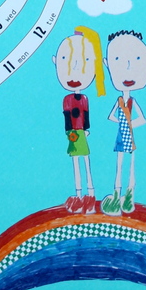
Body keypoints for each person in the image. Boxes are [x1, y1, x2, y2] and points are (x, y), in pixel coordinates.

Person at [53, 26, 106, 214]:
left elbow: (86, 115)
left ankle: (90, 194)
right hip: (73, 134)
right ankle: (79, 194)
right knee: (76, 162)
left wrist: (86, 129)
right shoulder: (67, 99)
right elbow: (67, 116)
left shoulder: (84, 98)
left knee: (85, 162)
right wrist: (69, 132)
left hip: (82, 132)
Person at [100, 30, 146, 215]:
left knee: (129, 166)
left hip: (129, 137)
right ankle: (116, 196)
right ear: (107, 64)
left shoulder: (131, 101)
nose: (128, 67)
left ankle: (128, 197)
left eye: (137, 59)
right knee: (120, 166)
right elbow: (111, 116)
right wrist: (122, 123)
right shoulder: (120, 101)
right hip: (120, 137)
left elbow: (142, 119)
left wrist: (129, 126)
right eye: (118, 60)